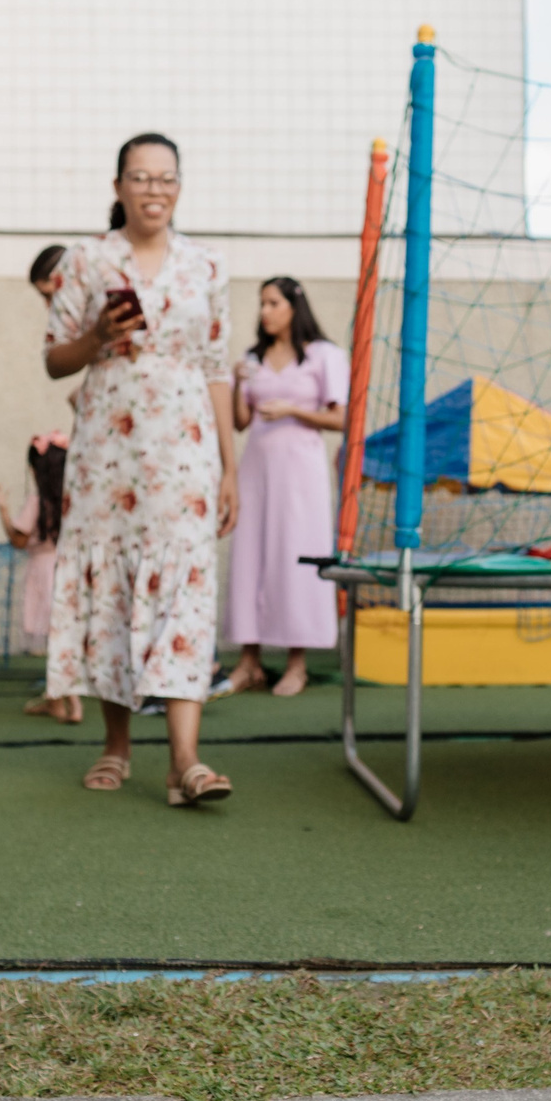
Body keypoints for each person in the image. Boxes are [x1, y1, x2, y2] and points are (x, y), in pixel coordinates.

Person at [41, 132, 239, 804]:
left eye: (167, 177)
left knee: (186, 582)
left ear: (179, 187)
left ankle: (185, 759)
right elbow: (54, 360)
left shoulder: (208, 266)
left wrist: (229, 469)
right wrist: (98, 337)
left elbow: (217, 370)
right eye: (141, 176)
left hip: (186, 449)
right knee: (114, 582)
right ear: (118, 186)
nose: (155, 189)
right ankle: (115, 744)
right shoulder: (86, 260)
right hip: (107, 453)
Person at [222, 276, 347, 696]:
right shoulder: (252, 358)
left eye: (272, 303)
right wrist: (239, 383)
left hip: (301, 473)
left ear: (294, 306)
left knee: (296, 554)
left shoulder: (324, 355)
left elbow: (342, 418)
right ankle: (248, 661)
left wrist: (293, 410)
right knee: (251, 554)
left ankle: (297, 662)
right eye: (261, 304)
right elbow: (240, 422)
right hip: (257, 467)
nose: (264, 312)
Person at [0, 433, 80, 723]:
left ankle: (68, 702)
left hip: (43, 571)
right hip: (68, 569)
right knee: (64, 637)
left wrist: (2, 508)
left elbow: (19, 539)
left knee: (55, 640)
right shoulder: (73, 500)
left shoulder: (37, 501)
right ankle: (60, 700)